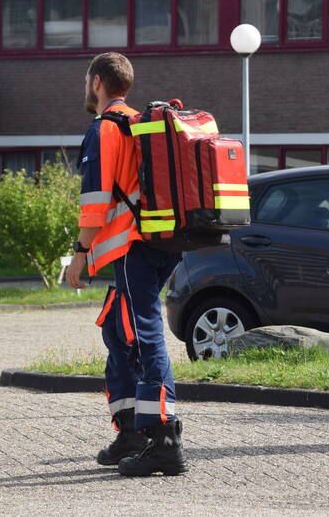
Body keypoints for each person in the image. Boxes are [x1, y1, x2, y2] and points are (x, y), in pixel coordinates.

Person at [66, 52, 188, 476]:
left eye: (87, 80)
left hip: (133, 246)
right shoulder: (142, 125)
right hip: (162, 241)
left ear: (97, 82)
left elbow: (95, 201)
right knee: (119, 331)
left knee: (146, 334)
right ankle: (132, 432)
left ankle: (165, 440)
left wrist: (78, 255)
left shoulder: (106, 129)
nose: (86, 87)